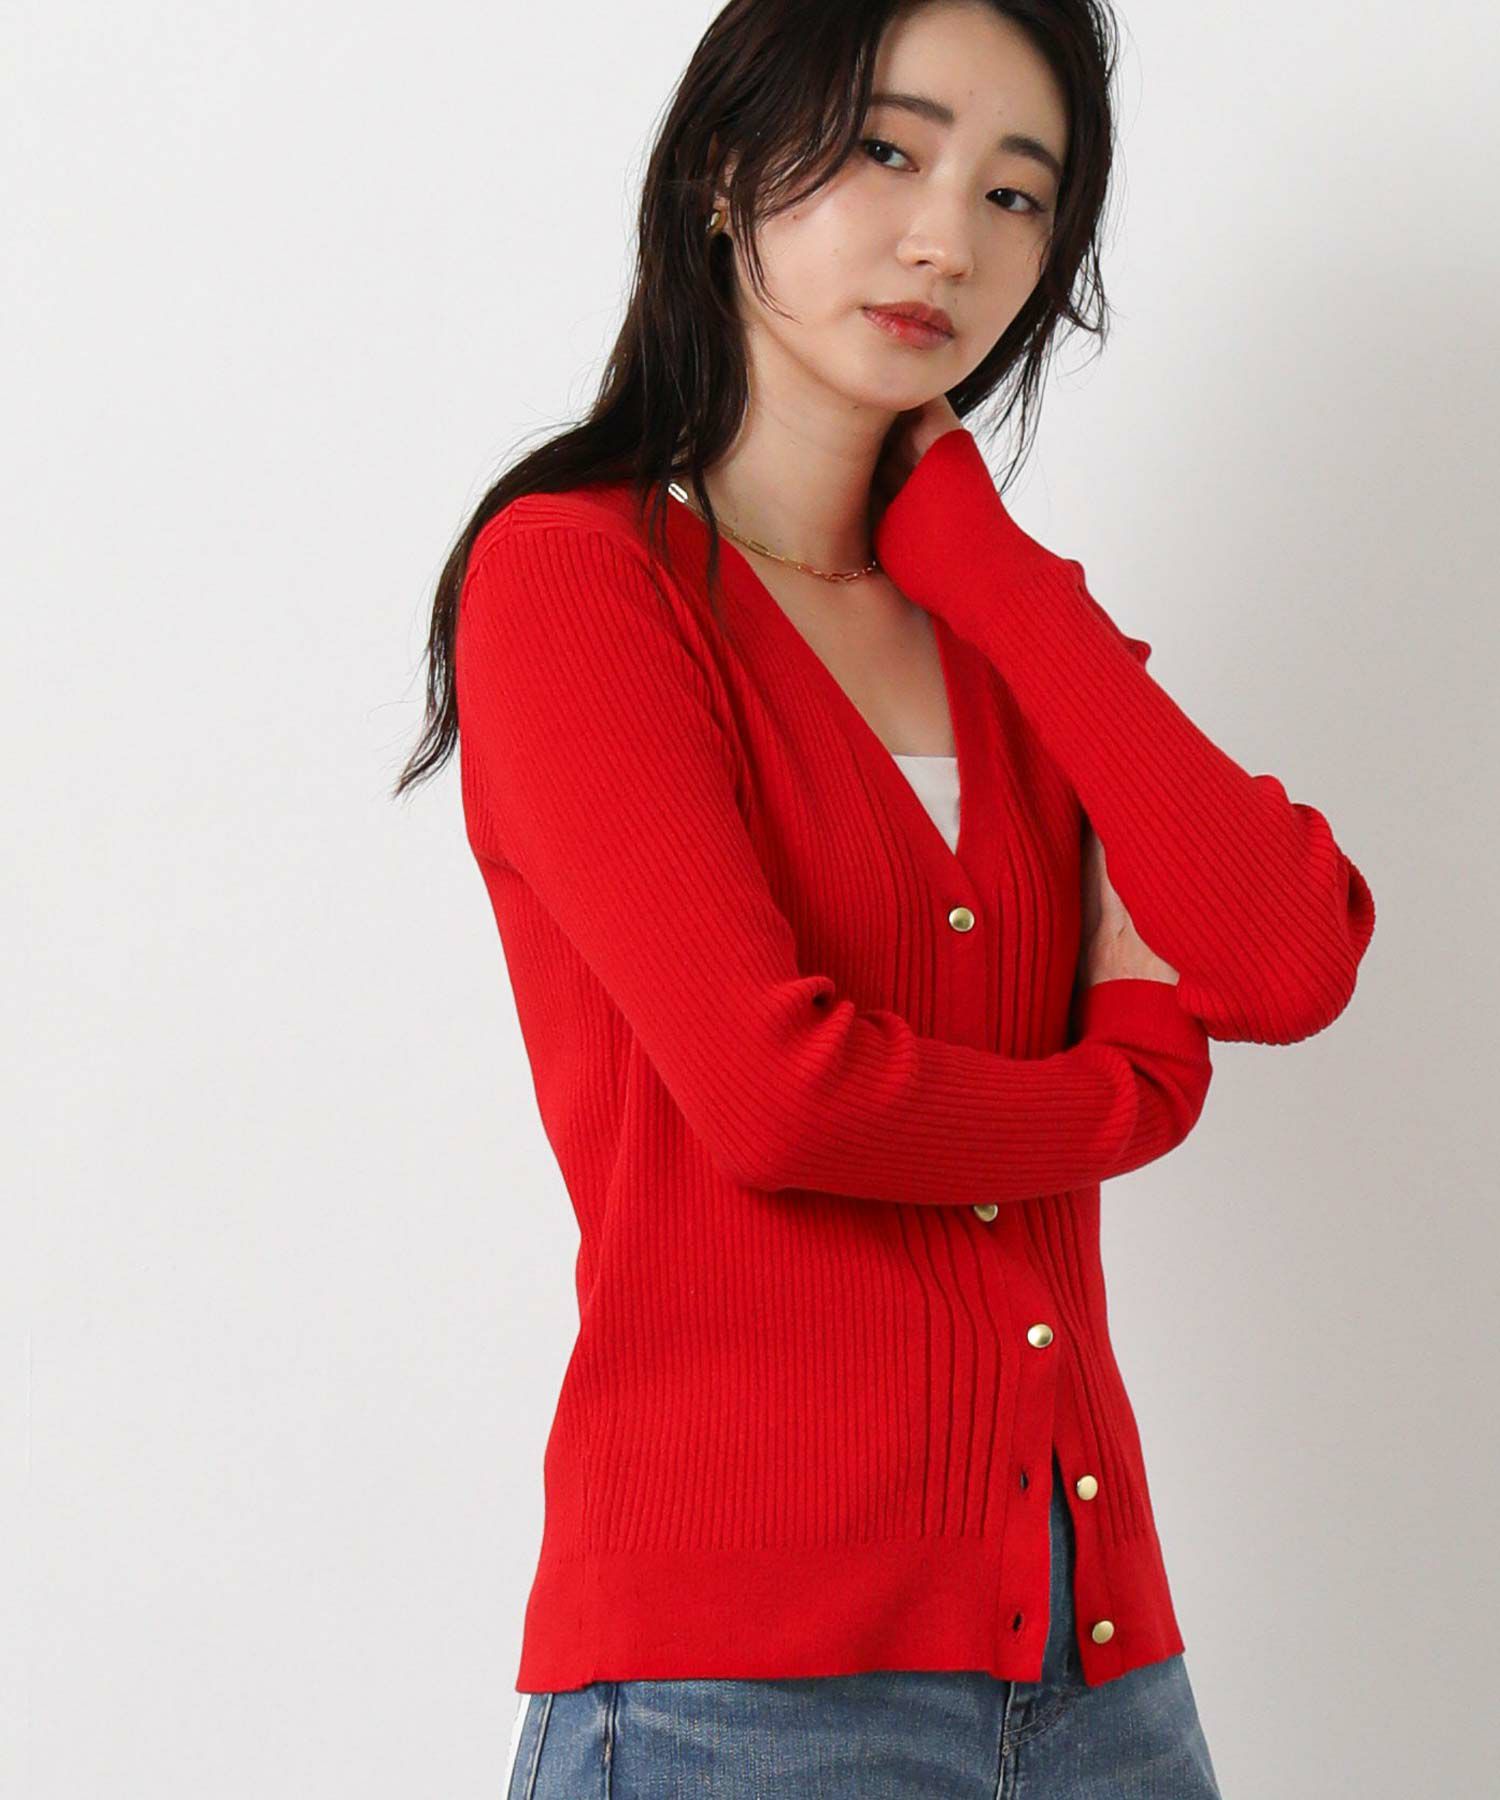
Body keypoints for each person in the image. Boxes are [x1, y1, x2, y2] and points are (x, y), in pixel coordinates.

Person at [395, 2, 1376, 1793]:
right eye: (886, 151)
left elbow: (1289, 957)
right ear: (722, 170)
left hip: (1103, 1680)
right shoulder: (579, 580)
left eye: (1016, 193)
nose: (947, 238)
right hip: (736, 1698)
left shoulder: (1003, 637)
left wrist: (992, 571)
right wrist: (1128, 1085)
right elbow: (781, 1095)